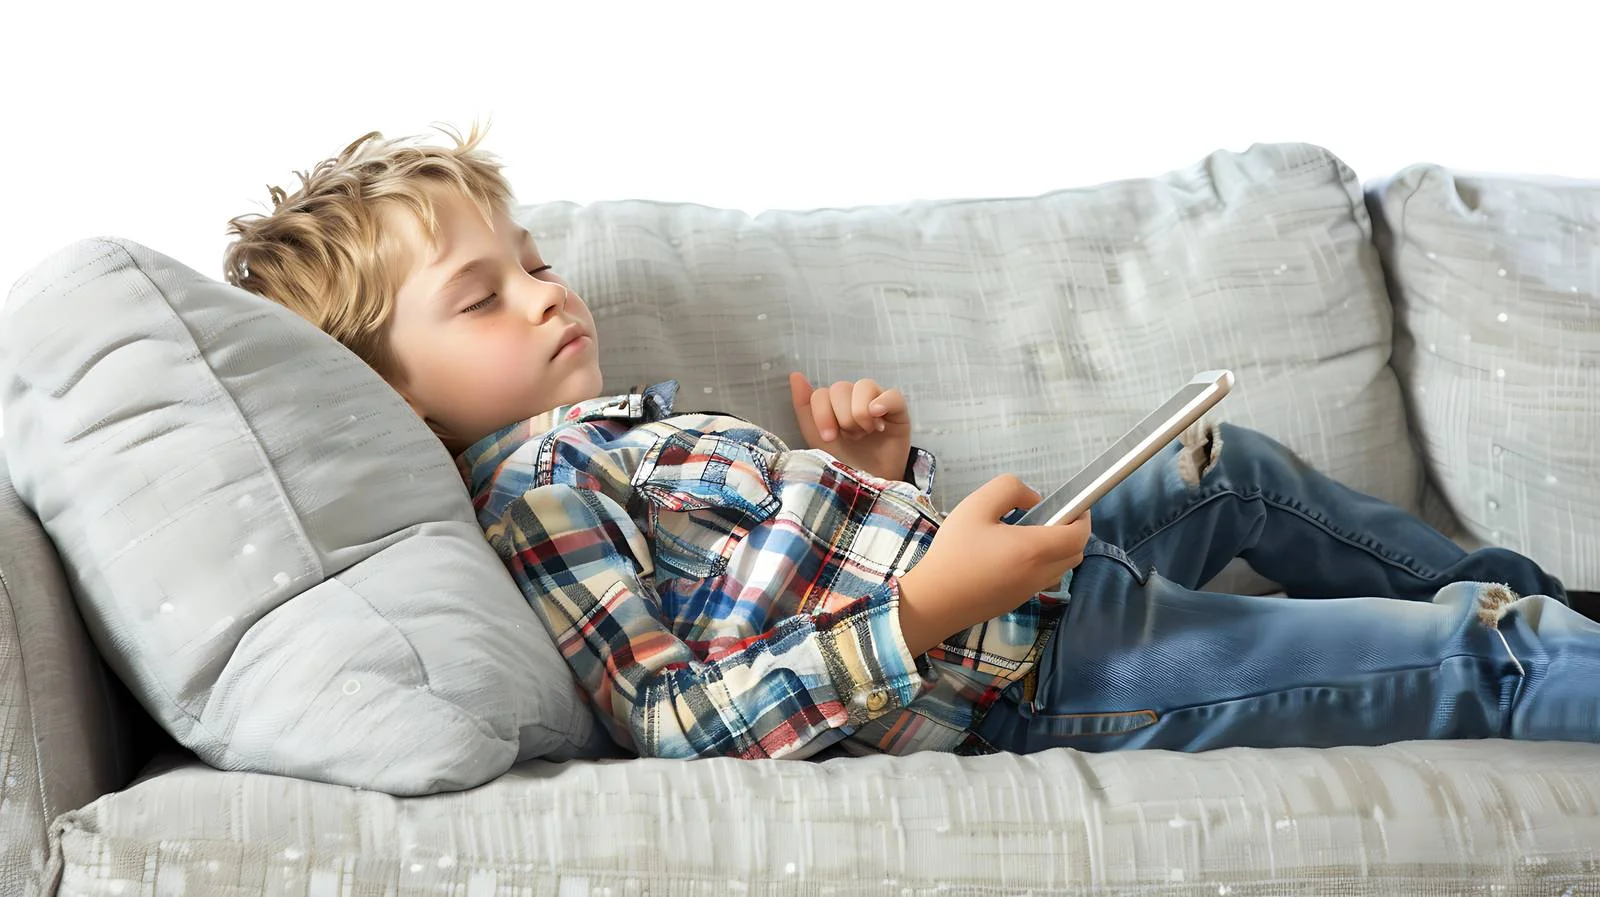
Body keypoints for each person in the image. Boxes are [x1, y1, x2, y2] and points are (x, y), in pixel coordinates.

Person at [222, 123, 1599, 760]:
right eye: (482, 296)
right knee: (1479, 656)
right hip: (1032, 677)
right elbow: (677, 719)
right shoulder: (536, 493)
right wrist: (928, 607)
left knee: (1218, 467)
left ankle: (1555, 601)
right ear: (390, 393)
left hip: (998, 592)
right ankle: (1535, 640)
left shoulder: (620, 428)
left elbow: (773, 578)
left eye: (528, 260)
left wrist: (872, 482)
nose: (543, 290)